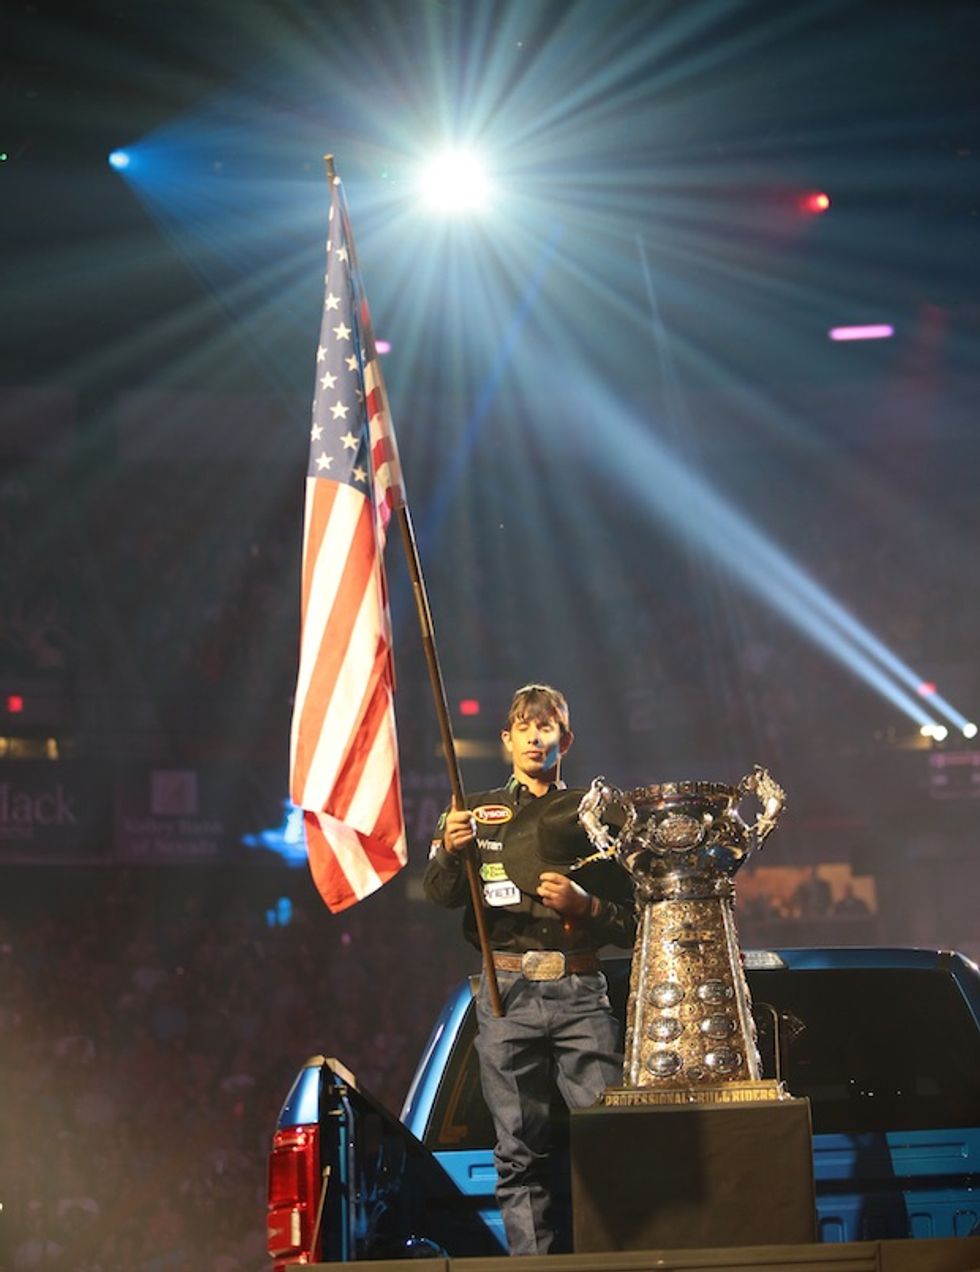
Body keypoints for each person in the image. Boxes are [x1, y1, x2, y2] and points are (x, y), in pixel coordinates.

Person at [423, 683, 635, 1255]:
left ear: (565, 740)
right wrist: (447, 847)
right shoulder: (472, 814)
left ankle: (617, 1262)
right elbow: (439, 893)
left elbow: (638, 922)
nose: (535, 736)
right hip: (505, 994)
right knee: (519, 1150)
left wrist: (587, 906)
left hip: (581, 990)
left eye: (547, 727)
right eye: (524, 726)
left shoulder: (597, 819)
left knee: (611, 1139)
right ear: (507, 739)